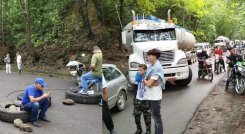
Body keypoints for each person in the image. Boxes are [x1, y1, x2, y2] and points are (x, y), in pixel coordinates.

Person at [144, 49, 165, 134]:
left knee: (157, 119)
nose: (147, 57)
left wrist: (145, 80)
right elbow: (146, 79)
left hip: (155, 97)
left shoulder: (157, 68)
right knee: (155, 119)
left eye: (149, 56)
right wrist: (146, 80)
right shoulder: (151, 67)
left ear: (155, 57)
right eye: (147, 55)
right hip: (150, 96)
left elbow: (148, 83)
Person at [133, 64, 151, 134]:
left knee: (147, 116)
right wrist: (134, 98)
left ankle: (148, 130)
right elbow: (135, 87)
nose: (139, 71)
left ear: (145, 70)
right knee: (136, 116)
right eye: (138, 70)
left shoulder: (148, 77)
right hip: (138, 99)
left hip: (146, 99)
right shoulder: (137, 76)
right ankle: (139, 129)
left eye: (141, 70)